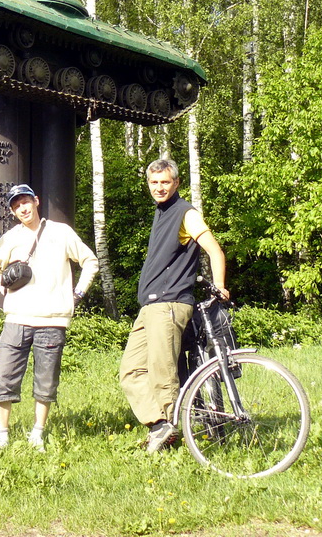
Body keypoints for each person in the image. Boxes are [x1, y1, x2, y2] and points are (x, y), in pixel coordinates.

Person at [119, 158, 228, 452]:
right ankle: (160, 426)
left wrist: (220, 285)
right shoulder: (162, 212)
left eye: (165, 182)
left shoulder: (185, 213)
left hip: (169, 304)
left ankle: (169, 438)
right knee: (130, 371)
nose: (159, 187)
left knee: (163, 374)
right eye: (154, 182)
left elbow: (214, 250)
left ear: (176, 183)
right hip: (150, 307)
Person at [0, 184, 99, 453]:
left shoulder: (61, 232)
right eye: (16, 206)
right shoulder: (10, 238)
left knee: (46, 381)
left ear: (36, 201)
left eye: (25, 202)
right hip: (17, 318)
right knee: (4, 377)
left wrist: (78, 293)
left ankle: (37, 433)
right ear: (12, 212)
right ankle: (2, 436)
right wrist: (1, 286)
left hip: (53, 319)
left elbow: (90, 261)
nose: (22, 208)